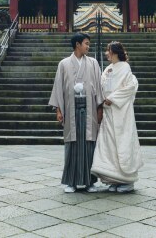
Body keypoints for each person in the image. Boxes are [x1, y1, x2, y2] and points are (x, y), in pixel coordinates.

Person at [48, 32, 104, 193]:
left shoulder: (93, 63)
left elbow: (99, 88)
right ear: (77, 44)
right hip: (70, 108)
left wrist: (99, 109)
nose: (88, 46)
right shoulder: (64, 64)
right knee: (72, 145)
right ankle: (71, 182)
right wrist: (58, 109)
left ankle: (89, 182)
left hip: (89, 109)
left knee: (89, 145)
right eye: (86, 43)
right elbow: (59, 87)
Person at [91, 41, 143, 192]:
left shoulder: (125, 67)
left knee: (123, 142)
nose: (106, 53)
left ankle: (127, 181)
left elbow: (130, 87)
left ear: (114, 52)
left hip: (121, 112)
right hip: (108, 112)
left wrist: (112, 98)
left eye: (108, 51)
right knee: (109, 144)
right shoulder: (108, 68)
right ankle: (114, 179)